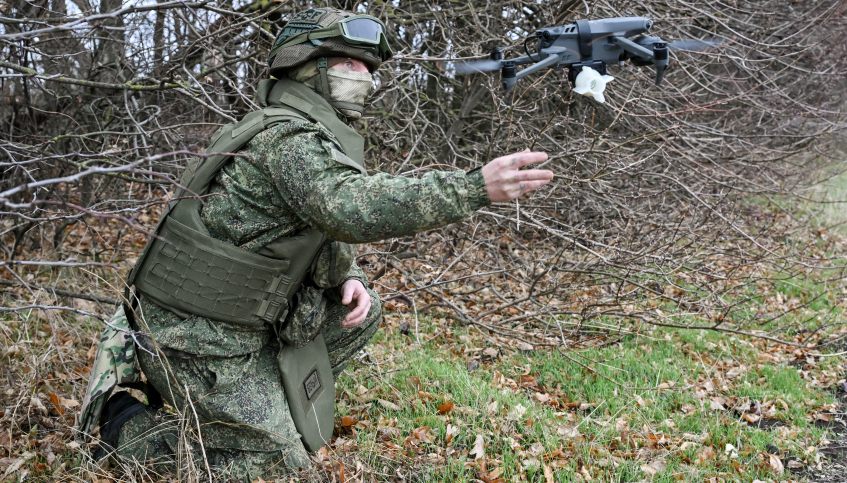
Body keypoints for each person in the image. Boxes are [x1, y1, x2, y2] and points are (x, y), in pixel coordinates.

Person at [79, 7, 553, 481]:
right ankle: (120, 425)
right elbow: (347, 207)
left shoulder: (308, 135)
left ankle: (257, 410)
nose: (365, 78)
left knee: (359, 316)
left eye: (369, 69)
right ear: (307, 68)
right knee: (274, 467)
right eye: (349, 65)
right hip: (195, 334)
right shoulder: (288, 138)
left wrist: (351, 275)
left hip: (234, 320)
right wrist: (473, 187)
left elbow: (308, 231)